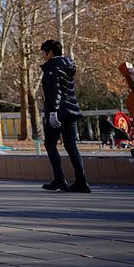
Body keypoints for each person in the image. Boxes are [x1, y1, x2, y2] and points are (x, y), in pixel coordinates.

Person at [39, 40, 90, 193]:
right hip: (71, 111)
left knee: (50, 144)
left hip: (58, 112)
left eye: (44, 53)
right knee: (71, 146)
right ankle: (82, 182)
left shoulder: (52, 67)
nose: (43, 56)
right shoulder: (68, 65)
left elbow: (55, 90)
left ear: (50, 53)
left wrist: (53, 112)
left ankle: (59, 180)